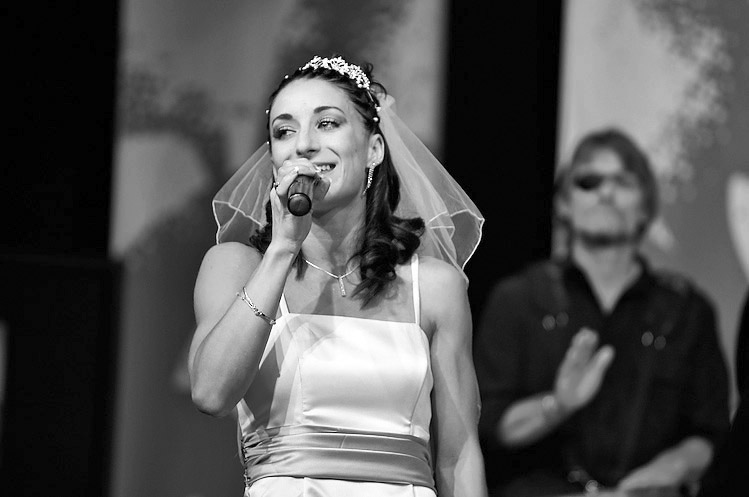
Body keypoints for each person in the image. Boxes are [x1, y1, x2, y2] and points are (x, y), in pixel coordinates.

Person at [188, 54, 487, 496]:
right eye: (284, 131)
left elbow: (459, 458)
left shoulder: (435, 287)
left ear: (374, 149)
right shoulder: (236, 266)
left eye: (326, 123)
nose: (304, 145)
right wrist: (282, 248)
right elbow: (211, 394)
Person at [473, 128, 731, 497]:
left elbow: (709, 432)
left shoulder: (687, 310)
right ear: (563, 203)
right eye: (589, 182)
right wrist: (558, 404)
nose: (606, 193)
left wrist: (665, 472)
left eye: (623, 182)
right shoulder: (518, 299)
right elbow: (487, 425)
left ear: (646, 207)